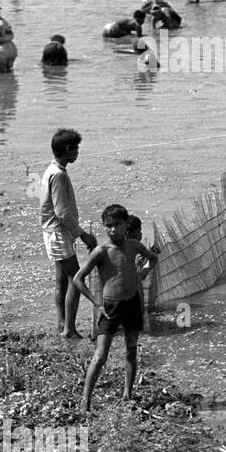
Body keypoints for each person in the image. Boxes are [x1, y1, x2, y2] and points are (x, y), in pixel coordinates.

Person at [71, 204, 158, 413]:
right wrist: (97, 303)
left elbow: (153, 258)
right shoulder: (101, 251)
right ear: (103, 226)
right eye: (108, 226)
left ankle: (128, 393)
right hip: (110, 307)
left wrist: (142, 272)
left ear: (126, 224)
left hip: (132, 302)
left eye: (117, 225)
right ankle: (85, 402)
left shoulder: (135, 246)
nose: (113, 230)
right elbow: (78, 279)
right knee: (100, 355)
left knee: (131, 349)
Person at [40, 128, 99, 337]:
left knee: (62, 279)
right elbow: (62, 212)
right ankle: (69, 329)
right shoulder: (58, 175)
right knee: (76, 278)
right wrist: (83, 235)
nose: (78, 152)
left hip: (53, 231)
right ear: (68, 150)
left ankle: (61, 323)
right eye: (76, 148)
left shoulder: (52, 170)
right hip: (58, 231)